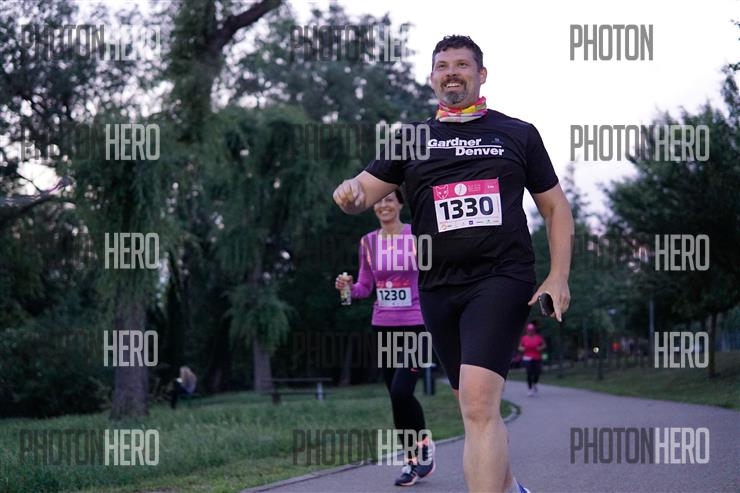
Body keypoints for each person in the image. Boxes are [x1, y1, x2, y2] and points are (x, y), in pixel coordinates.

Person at [333, 35, 573, 493]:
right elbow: (362, 192)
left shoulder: (517, 134)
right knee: (473, 406)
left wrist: (558, 275)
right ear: (432, 79)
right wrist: (348, 194)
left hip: (501, 277)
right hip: (438, 288)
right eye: (443, 66)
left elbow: (555, 207)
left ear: (481, 75)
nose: (452, 73)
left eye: (462, 65)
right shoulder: (410, 139)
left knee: (480, 405)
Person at [335, 189, 435, 487]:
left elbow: (433, 277)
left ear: (400, 204)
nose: (383, 205)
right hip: (383, 326)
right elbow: (365, 287)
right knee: (396, 397)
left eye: (390, 199)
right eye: (379, 201)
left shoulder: (417, 236)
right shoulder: (368, 242)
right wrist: (346, 287)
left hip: (416, 325)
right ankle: (411, 461)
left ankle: (423, 445)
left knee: (403, 391)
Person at [518, 322, 546, 396]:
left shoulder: (538, 337)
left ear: (534, 330)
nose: (530, 331)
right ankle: (530, 389)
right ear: (527, 330)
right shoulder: (524, 338)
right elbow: (519, 347)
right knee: (529, 373)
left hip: (537, 357)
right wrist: (523, 349)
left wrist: (540, 348)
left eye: (532, 330)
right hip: (527, 358)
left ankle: (535, 383)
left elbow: (544, 345)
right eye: (529, 330)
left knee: (537, 372)